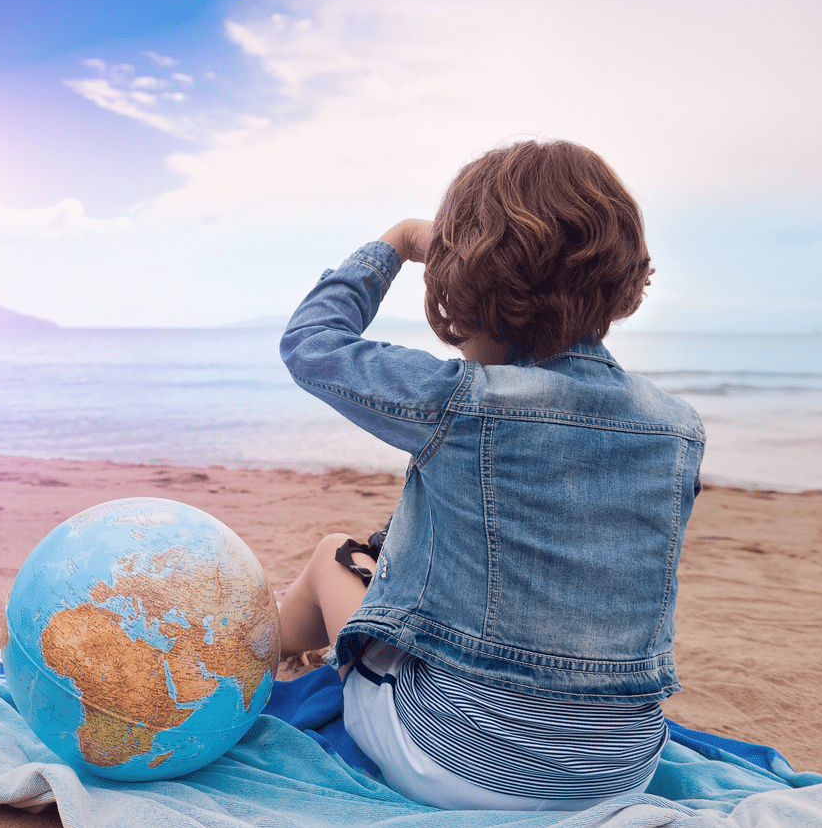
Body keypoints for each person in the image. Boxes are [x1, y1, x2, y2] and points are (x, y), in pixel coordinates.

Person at [277, 139, 705, 811]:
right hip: (624, 767)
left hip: (459, 762)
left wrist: (394, 242)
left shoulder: (462, 400)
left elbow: (311, 342)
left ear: (466, 285)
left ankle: (247, 655)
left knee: (334, 553)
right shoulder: (678, 429)